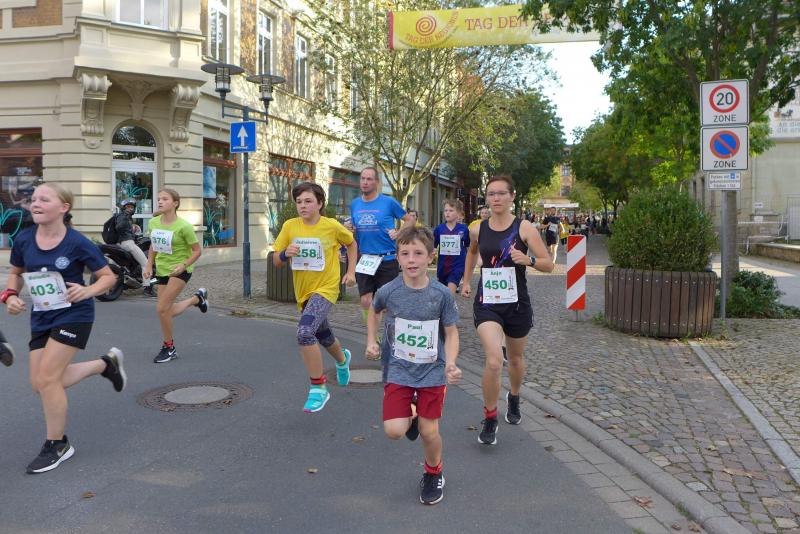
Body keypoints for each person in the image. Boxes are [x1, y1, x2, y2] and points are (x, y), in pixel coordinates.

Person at [2, 183, 127, 474]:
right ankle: (104, 365)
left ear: (64, 207)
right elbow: (16, 273)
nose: (36, 203)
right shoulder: (24, 239)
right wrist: (10, 295)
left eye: (44, 199)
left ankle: (57, 444)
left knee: (48, 379)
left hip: (74, 314)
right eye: (34, 199)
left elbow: (108, 277)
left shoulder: (77, 242)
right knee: (40, 383)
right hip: (41, 316)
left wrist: (88, 291)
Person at [365, 226, 461, 505]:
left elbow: (451, 333)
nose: (411, 259)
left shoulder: (441, 294)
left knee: (429, 432)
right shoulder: (389, 290)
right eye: (405, 253)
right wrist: (371, 340)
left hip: (432, 370)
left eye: (418, 253)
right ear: (397, 257)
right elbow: (374, 310)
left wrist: (451, 362)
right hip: (398, 368)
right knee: (394, 430)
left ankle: (434, 472)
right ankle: (414, 413)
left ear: (430, 257)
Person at [461, 175, 554, 446]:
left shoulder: (524, 228)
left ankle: (514, 396)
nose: (496, 198)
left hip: (517, 303)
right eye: (491, 194)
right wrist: (466, 281)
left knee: (514, 359)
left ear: (512, 196)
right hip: (487, 302)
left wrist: (529, 260)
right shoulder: (478, 229)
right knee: (493, 360)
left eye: (501, 193)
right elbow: (471, 253)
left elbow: (548, 264)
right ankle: (490, 417)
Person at [273, 182, 358, 413]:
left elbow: (351, 244)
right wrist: (285, 253)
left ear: (320, 203)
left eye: (308, 201)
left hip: (326, 289)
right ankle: (342, 360)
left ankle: (318, 387)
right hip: (304, 293)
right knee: (324, 335)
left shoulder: (331, 226)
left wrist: (351, 272)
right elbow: (276, 260)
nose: (303, 205)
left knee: (304, 332)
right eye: (299, 202)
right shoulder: (290, 226)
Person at [345, 167, 411, 357]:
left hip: (387, 259)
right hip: (365, 259)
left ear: (376, 182)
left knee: (386, 303)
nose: (365, 182)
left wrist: (399, 232)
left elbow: (409, 220)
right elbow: (354, 227)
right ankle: (373, 338)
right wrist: (349, 227)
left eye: (369, 179)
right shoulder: (355, 204)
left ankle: (387, 338)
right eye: (362, 178)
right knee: (366, 301)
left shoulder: (388, 202)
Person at [143, 189, 208, 364]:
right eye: (159, 199)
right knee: (165, 311)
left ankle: (169, 347)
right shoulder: (153, 223)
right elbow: (153, 245)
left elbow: (197, 251)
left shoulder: (184, 226)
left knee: (161, 309)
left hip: (181, 270)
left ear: (175, 203)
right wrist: (149, 264)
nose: (160, 201)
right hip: (162, 269)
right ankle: (197, 299)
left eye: (165, 199)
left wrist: (183, 265)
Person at [432, 199, 469, 295]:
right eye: (446, 210)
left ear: (458, 213)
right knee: (443, 295)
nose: (447, 213)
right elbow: (433, 246)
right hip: (443, 266)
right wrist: (432, 254)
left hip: (457, 265)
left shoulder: (464, 229)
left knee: (450, 293)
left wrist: (468, 265)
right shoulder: (439, 229)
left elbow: (468, 246)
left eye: (451, 210)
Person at [116, 198, 152, 290]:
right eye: (128, 207)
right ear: (123, 208)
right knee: (146, 264)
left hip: (120, 243)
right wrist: (125, 217)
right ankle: (147, 288)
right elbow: (119, 227)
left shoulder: (124, 217)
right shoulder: (123, 216)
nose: (130, 209)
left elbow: (124, 230)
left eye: (132, 207)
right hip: (128, 244)